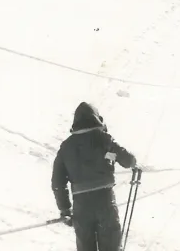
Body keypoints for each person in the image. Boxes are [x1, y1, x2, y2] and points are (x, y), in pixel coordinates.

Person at [52, 102, 138, 251]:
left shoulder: (66, 146)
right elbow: (128, 160)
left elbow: (57, 182)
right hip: (104, 201)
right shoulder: (103, 138)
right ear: (97, 119)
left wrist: (65, 209)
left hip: (81, 206)